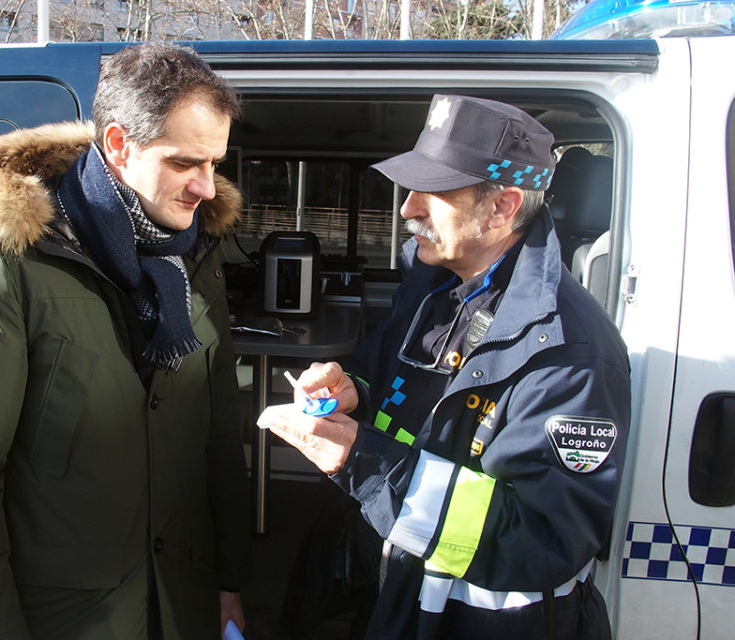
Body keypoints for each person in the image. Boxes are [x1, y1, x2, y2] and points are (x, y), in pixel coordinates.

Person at [258, 94, 630, 639]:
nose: (408, 208)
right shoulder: (436, 286)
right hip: (396, 590)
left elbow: (543, 539)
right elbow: (384, 375)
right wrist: (352, 390)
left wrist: (362, 460)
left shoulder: (569, 351)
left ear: (501, 207)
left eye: (432, 193)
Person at [0, 43, 250, 640]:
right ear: (120, 145)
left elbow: (218, 440)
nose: (206, 186)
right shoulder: (8, 268)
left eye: (215, 163)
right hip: (68, 619)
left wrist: (227, 582)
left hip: (183, 602)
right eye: (185, 163)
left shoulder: (197, 259)